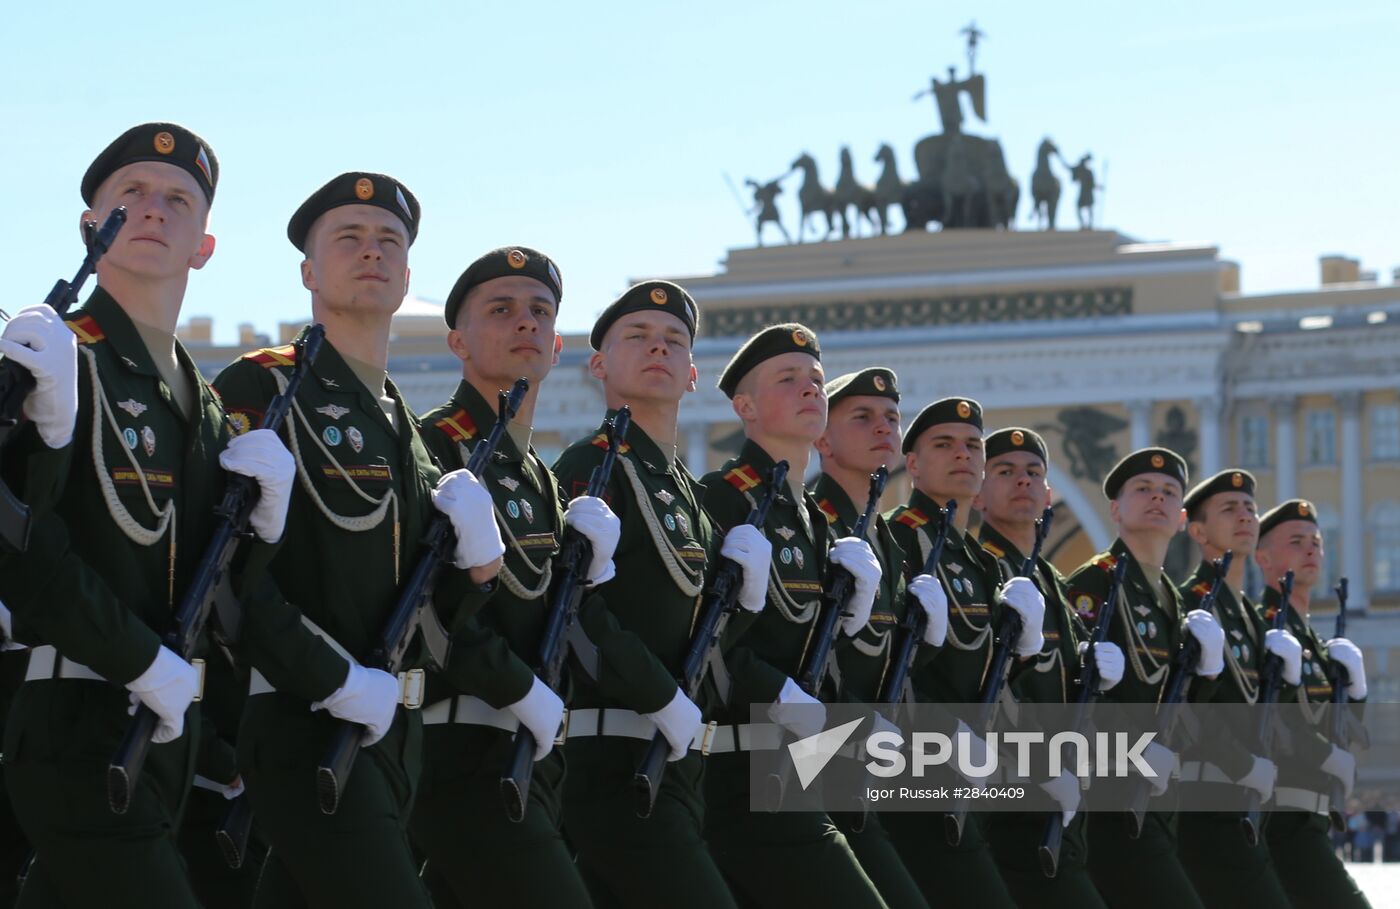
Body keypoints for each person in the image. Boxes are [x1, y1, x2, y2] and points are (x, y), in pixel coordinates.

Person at [0, 122, 294, 908]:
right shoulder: (53, 356)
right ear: (92, 227)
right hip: (77, 718)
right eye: (130, 194)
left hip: (164, 737)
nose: (154, 209)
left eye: (177, 200)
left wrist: (263, 533)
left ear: (204, 244)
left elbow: (214, 592)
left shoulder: (202, 400)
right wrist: (139, 658)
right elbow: (21, 545)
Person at [214, 172, 504, 907]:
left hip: (393, 734)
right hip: (307, 719)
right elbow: (232, 575)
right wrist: (337, 681)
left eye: (389, 242)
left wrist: (477, 574)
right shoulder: (268, 387)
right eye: (349, 237)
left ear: (408, 275)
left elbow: (423, 619)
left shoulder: (402, 426)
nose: (372, 252)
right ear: (309, 272)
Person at [552, 281, 768, 909]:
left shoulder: (686, 493)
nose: (659, 349)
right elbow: (575, 611)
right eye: (638, 338)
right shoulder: (587, 467)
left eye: (674, 341)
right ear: (599, 366)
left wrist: (746, 604)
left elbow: (701, 635)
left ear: (693, 373)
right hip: (612, 753)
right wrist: (662, 696)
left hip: (675, 759)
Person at [410, 246, 613, 908]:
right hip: (455, 747)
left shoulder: (543, 480)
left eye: (540, 311)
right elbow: (423, 606)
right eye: (501, 310)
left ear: (557, 347)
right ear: (458, 341)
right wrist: (521, 687)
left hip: (530, 759)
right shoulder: (432, 447)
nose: (525, 322)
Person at [701, 324, 889, 908]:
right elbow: (702, 640)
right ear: (746, 406)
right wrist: (778, 693)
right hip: (739, 766)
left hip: (801, 765)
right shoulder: (722, 499)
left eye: (815, 380)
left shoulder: (816, 519)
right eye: (788, 380)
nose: (810, 389)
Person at [882, 399, 1042, 909]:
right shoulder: (898, 537)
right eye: (944, 445)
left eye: (973, 445)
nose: (964, 455)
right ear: (913, 463)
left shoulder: (978, 559)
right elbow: (884, 667)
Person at [810, 367, 945, 909]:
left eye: (891, 417)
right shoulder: (812, 521)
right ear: (823, 436)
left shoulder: (885, 538)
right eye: (861, 416)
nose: (883, 427)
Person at [1066, 447, 1224, 909]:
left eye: (1168, 492)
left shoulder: (1173, 601)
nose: (1157, 498)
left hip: (1157, 801)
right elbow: (1075, 698)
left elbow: (1184, 708)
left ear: (1180, 518)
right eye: (1143, 490)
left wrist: (1209, 672)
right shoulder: (1095, 584)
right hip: (1107, 800)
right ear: (1115, 510)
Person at [973, 427, 1121, 908]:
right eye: (1005, 472)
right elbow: (981, 691)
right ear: (978, 492)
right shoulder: (978, 570)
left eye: (1034, 473)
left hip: (1059, 806)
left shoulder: (1052, 580)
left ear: (1049, 494)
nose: (1023, 482)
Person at [1174, 469, 1296, 907]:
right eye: (1229, 509)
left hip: (1246, 801)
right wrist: (1240, 762)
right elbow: (1185, 707)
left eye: (1250, 508)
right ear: (1198, 530)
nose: (1245, 516)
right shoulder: (1191, 604)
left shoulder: (1248, 613)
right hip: (1204, 801)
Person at [1254, 499, 1372, 908]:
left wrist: (1357, 693)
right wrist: (1324, 756)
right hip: (1277, 818)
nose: (1311, 550)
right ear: (1263, 557)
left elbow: (1345, 732)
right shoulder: (1262, 629)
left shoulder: (1314, 642)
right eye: (1296, 541)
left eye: (1317, 542)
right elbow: (1266, 719)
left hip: (1313, 818)